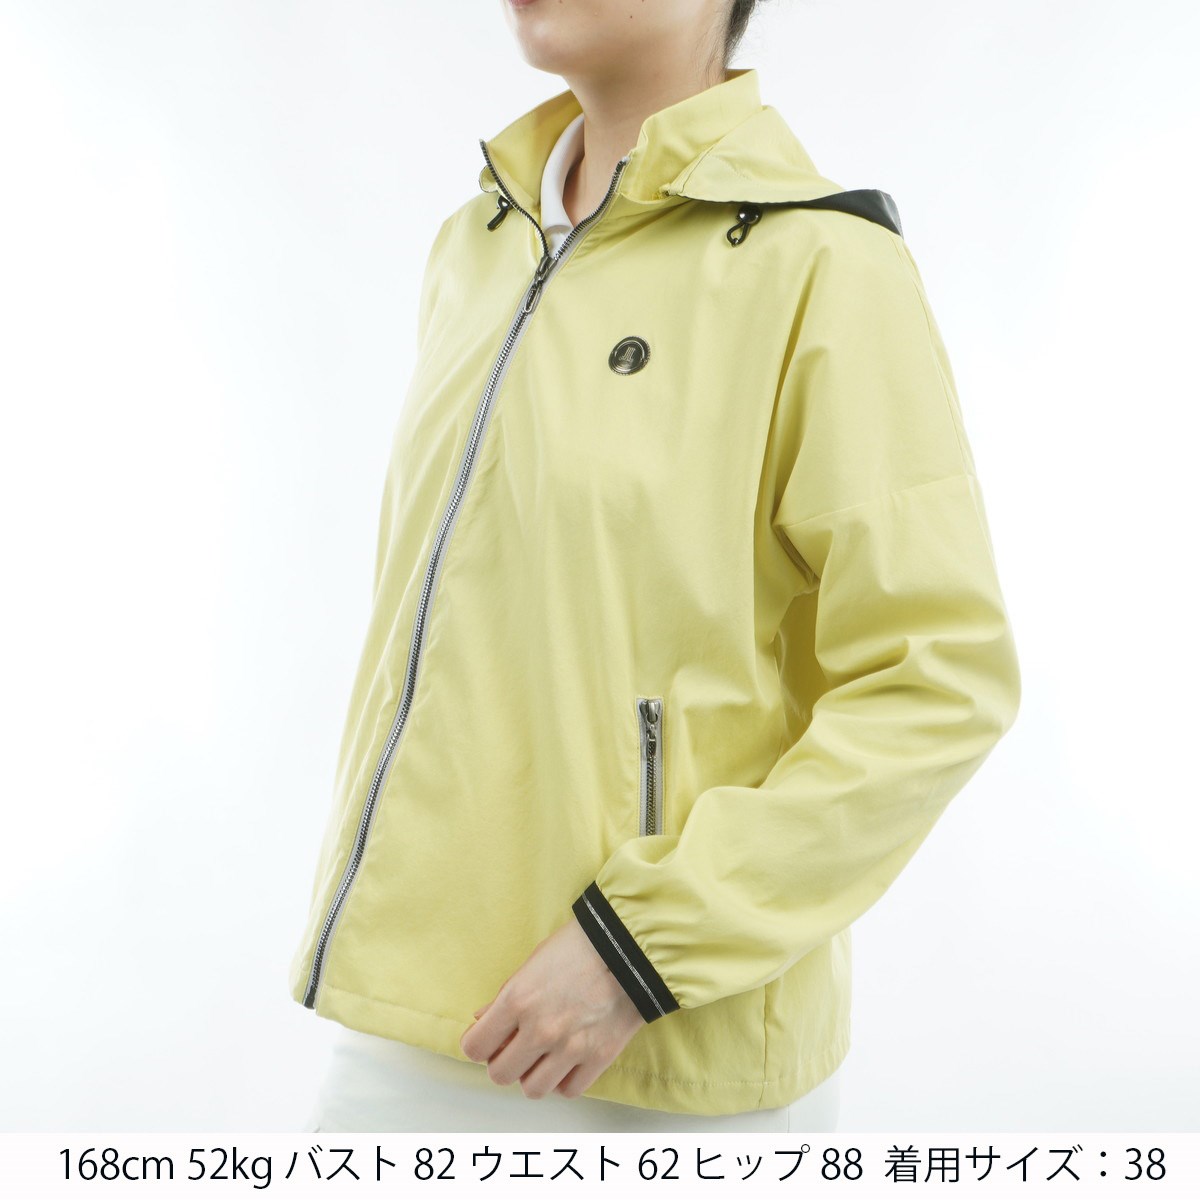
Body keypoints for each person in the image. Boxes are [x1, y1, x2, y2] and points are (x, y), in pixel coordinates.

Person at [291, 0, 1022, 1133]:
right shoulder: (478, 241)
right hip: (401, 1018)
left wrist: (640, 947)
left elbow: (939, 679)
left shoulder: (823, 264)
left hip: (652, 1052)